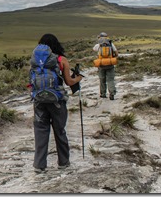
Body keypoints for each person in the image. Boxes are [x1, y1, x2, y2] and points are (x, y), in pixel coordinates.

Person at [30, 33, 83, 173]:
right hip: (57, 101)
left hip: (39, 100)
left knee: (41, 131)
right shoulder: (61, 59)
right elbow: (69, 82)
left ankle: (39, 165)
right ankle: (63, 163)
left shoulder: (35, 59)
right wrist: (78, 78)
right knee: (60, 131)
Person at [93, 32, 118, 100]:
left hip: (101, 64)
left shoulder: (98, 45)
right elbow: (116, 53)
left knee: (102, 80)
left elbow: (94, 49)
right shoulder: (111, 44)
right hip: (110, 64)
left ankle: (103, 94)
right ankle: (112, 93)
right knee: (110, 80)